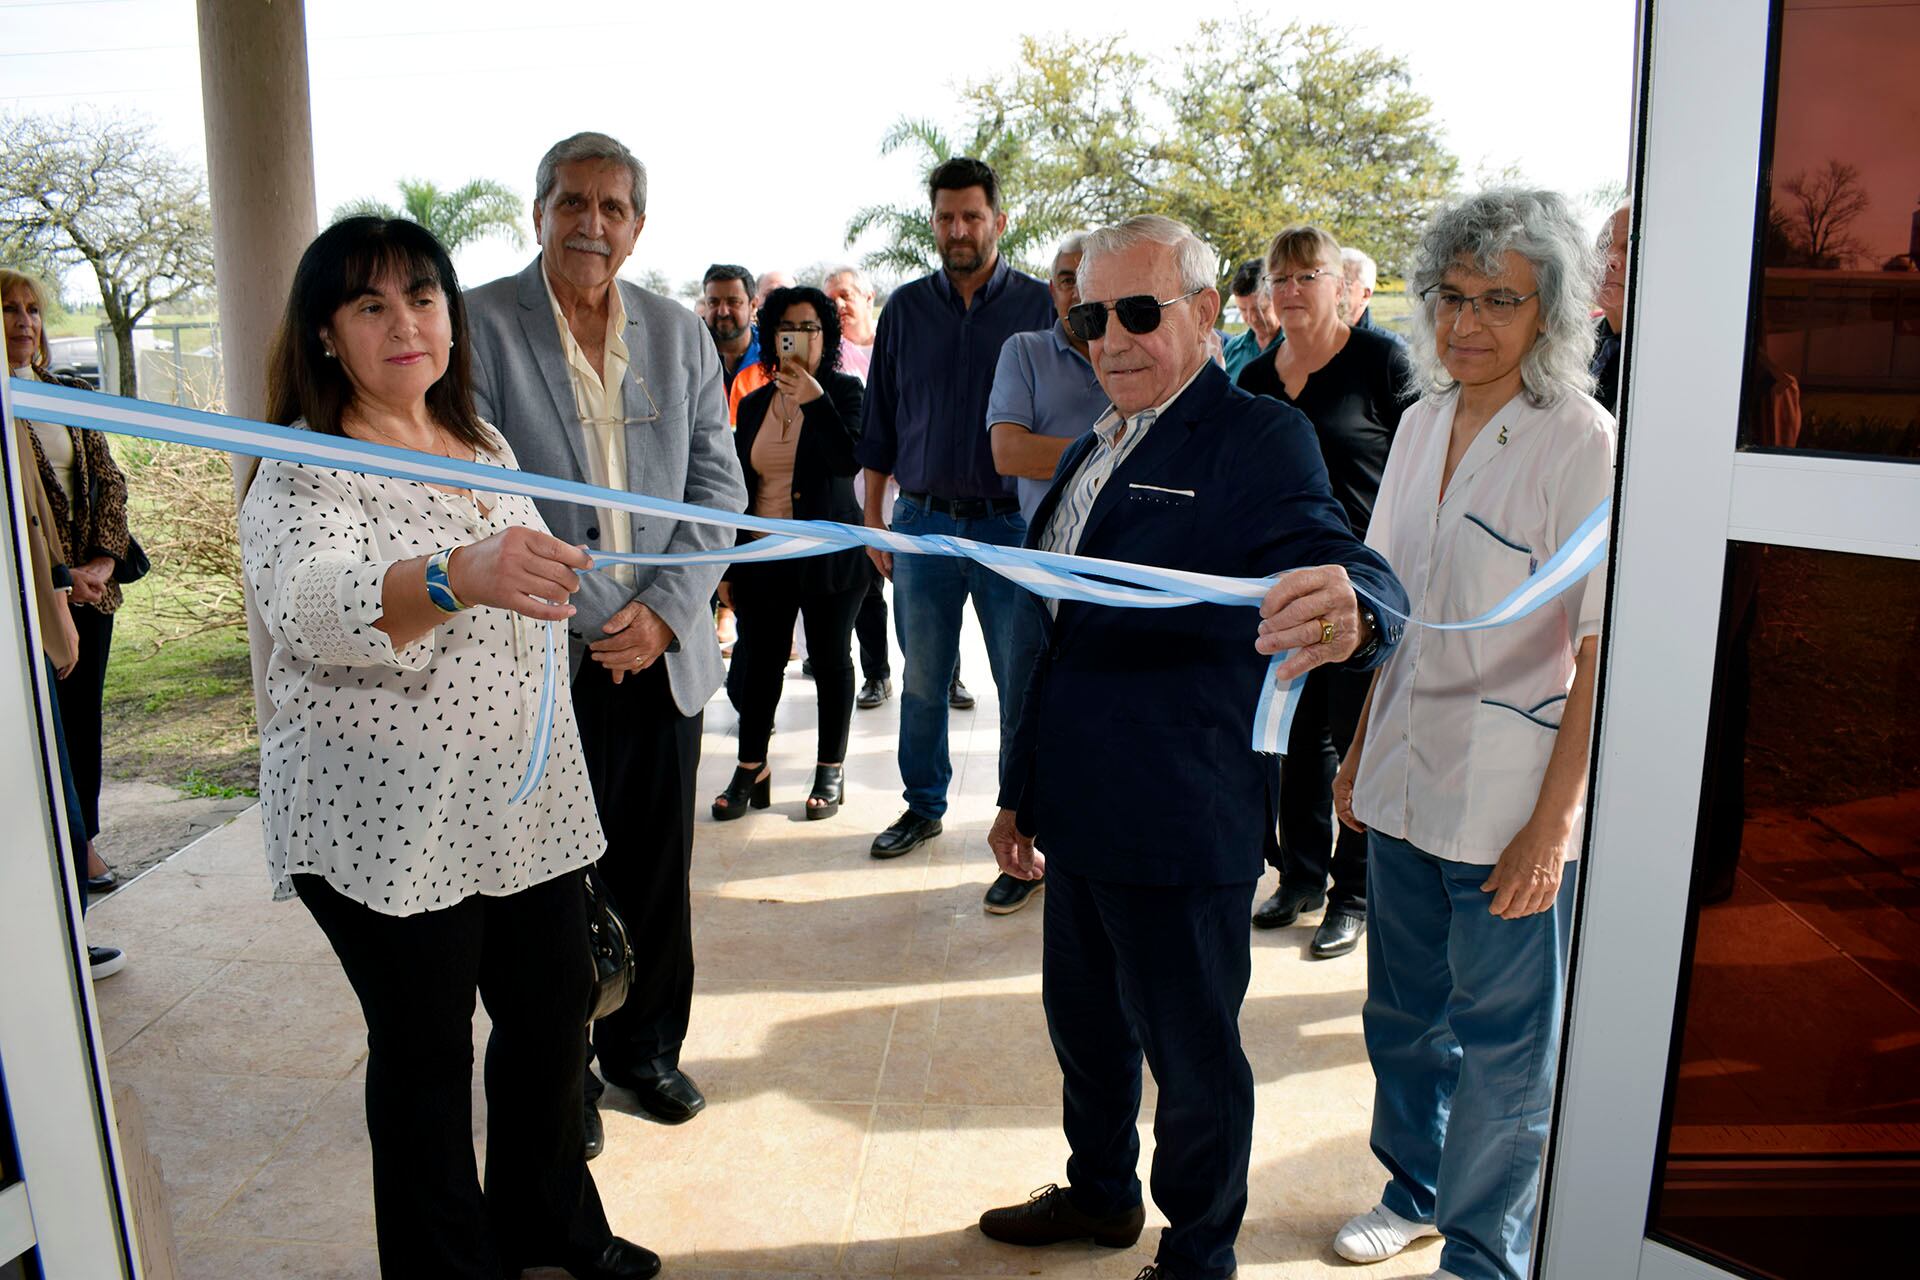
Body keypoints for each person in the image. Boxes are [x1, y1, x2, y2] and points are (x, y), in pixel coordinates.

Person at [976, 215, 1406, 1280]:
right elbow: (1058, 639)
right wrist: (1021, 790)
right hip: (1077, 814)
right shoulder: (1099, 440)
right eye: (1087, 317)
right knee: (1084, 1029)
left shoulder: (1256, 437)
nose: (1109, 339)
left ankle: (1200, 1250)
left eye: (1137, 312)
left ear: (1208, 314)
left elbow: (1341, 558)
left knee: (1193, 1055)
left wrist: (1359, 607)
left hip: (1178, 816)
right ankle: (1100, 1193)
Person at [238, 216, 656, 1280]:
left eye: (422, 296)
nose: (406, 323)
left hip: (522, 799)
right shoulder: (301, 467)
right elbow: (313, 610)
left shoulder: (484, 445)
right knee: (426, 1055)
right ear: (327, 334)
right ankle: (447, 1263)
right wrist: (454, 574)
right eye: (370, 304)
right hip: (389, 816)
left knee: (556, 1016)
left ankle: (551, 1219)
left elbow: (511, 589)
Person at [1326, 189, 1614, 1280]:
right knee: (1402, 1009)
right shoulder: (1415, 424)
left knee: (1505, 1039)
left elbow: (1601, 649)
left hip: (1509, 796)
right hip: (1402, 775)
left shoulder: (1583, 443)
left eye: (1502, 299)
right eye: (1452, 295)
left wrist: (1553, 822)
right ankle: (1413, 1185)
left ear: (1552, 316)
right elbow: (1391, 608)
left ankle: (1486, 1251)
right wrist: (1357, 749)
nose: (1469, 322)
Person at [465, 132, 747, 1136]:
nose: (592, 224)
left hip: (663, 656)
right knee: (547, 886)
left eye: (612, 208)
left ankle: (645, 1051)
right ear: (536, 211)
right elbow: (480, 492)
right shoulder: (478, 325)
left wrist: (664, 617)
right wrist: (596, 621)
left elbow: (720, 487)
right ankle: (563, 1078)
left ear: (637, 224)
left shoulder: (678, 332)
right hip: (544, 658)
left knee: (656, 872)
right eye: (572, 202)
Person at [855, 156, 1054, 905]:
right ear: (932, 223)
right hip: (923, 527)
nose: (959, 230)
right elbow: (879, 425)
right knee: (923, 682)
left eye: (972, 216)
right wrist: (875, 522)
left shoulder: (1040, 308)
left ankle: (1021, 836)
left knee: (1019, 684)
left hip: (1012, 530)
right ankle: (923, 806)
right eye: (946, 218)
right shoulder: (904, 310)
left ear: (1000, 222)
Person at [1237, 227, 1413, 958]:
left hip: (1365, 594)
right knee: (1297, 740)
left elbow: (1422, 465)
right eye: (1280, 278)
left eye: (1307, 276)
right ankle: (1300, 878)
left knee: (1356, 742)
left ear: (1342, 284)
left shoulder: (1381, 362)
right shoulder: (1252, 378)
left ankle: (1354, 893)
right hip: (1286, 590)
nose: (1291, 291)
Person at [6, 274, 126, 978]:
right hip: (36, 601)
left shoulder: (67, 396)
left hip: (91, 593)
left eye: (33, 311)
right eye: (9, 310)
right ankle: (57, 927)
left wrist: (100, 565)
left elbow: (109, 480)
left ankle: (83, 852)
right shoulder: (6, 406)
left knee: (81, 731)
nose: (25, 322)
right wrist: (56, 578)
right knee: (41, 749)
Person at [714, 286, 867, 820]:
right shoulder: (753, 402)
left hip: (829, 557)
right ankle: (751, 767)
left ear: (826, 336)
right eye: (788, 328)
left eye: (810, 328)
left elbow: (847, 462)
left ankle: (830, 768)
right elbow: (738, 490)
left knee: (829, 660)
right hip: (763, 557)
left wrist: (814, 401)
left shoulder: (846, 393)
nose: (799, 338)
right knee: (760, 664)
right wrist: (729, 567)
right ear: (772, 336)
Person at [704, 263, 770, 425]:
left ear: (753, 305)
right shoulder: (687, 355)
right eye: (713, 302)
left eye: (733, 302)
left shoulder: (773, 356)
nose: (723, 312)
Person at [1591, 201, 1630, 417]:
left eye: (1630, 248)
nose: (1609, 260)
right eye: (1604, 245)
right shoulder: (1566, 342)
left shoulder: (1664, 355)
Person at [1219, 257, 1281, 380]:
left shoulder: (1298, 348)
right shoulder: (1232, 350)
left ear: (1277, 299)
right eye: (1242, 310)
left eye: (1260, 309)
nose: (1252, 318)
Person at [824, 265, 878, 381]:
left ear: (869, 298)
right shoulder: (827, 354)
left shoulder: (895, 339)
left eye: (845, 296)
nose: (838, 305)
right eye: (831, 301)